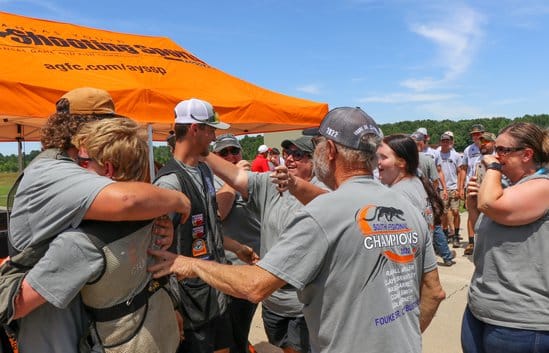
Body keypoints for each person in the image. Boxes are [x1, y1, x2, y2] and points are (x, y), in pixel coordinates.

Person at [149, 107, 446, 353]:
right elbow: (433, 292)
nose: (294, 155)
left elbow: (254, 285)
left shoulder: (325, 212)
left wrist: (188, 264)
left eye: (312, 147)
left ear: (329, 150)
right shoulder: (405, 204)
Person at [7, 87, 190, 353]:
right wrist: (178, 200)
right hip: (54, 335)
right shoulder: (55, 169)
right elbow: (128, 199)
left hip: (88, 332)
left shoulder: (72, 168)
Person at [204, 134, 325, 353]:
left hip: (301, 302)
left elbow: (334, 207)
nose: (290, 159)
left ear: (315, 161)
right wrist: (200, 150)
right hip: (270, 299)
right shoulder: (271, 183)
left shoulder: (322, 192)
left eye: (299, 155)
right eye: (287, 153)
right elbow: (236, 180)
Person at [154, 98, 234, 353]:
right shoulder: (168, 184)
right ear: (193, 129)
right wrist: (172, 306)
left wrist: (236, 247)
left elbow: (210, 226)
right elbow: (157, 252)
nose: (213, 137)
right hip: (190, 302)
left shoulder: (205, 171)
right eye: (210, 129)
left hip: (216, 291)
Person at [461, 122, 549, 353]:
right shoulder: (510, 188)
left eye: (502, 151)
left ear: (527, 154)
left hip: (520, 322)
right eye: (494, 151)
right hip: (483, 308)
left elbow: (490, 203)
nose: (495, 156)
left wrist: (492, 169)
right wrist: (473, 208)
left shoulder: (543, 185)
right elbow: (484, 229)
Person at [211, 134, 261, 353]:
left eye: (234, 151)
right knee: (232, 331)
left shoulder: (255, 177)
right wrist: (234, 179)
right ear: (215, 156)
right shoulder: (212, 180)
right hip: (230, 266)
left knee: (242, 326)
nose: (230, 156)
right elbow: (218, 214)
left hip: (256, 263)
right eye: (224, 153)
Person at [376, 134, 456, 266]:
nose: (378, 162)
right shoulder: (418, 183)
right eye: (378, 156)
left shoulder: (397, 195)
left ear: (402, 162)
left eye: (384, 157)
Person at [459, 123, 485, 254]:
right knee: (471, 213)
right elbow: (463, 169)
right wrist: (461, 187)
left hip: (485, 186)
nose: (476, 136)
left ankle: (484, 240)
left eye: (478, 133)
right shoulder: (468, 150)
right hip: (471, 185)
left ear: (483, 133)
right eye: (473, 134)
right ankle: (471, 242)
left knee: (487, 213)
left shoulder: (489, 147)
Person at [438, 132, 463, 246]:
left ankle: (456, 235)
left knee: (456, 212)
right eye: (443, 141)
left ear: (450, 142)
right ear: (441, 142)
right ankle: (445, 234)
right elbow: (437, 172)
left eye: (447, 141)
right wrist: (442, 189)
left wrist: (459, 188)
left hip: (453, 187)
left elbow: (460, 172)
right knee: (443, 213)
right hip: (442, 188)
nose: (445, 143)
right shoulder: (437, 155)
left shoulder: (456, 155)